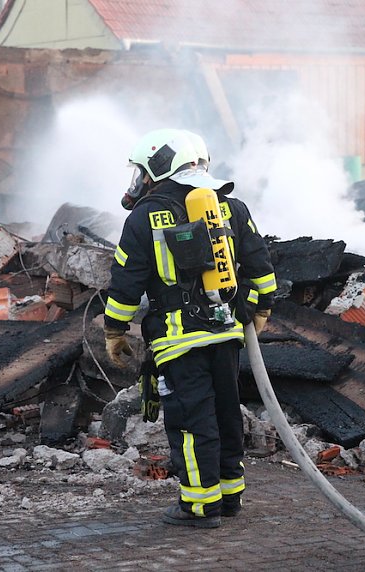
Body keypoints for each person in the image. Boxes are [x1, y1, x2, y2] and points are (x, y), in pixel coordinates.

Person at [103, 128, 276, 528]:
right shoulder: (230, 206)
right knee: (226, 415)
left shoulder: (143, 217)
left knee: (191, 422)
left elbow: (126, 282)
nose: (140, 181)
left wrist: (114, 330)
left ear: (160, 167)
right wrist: (261, 308)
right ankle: (229, 497)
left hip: (179, 341)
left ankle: (199, 506)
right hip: (227, 334)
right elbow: (261, 266)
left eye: (143, 171)